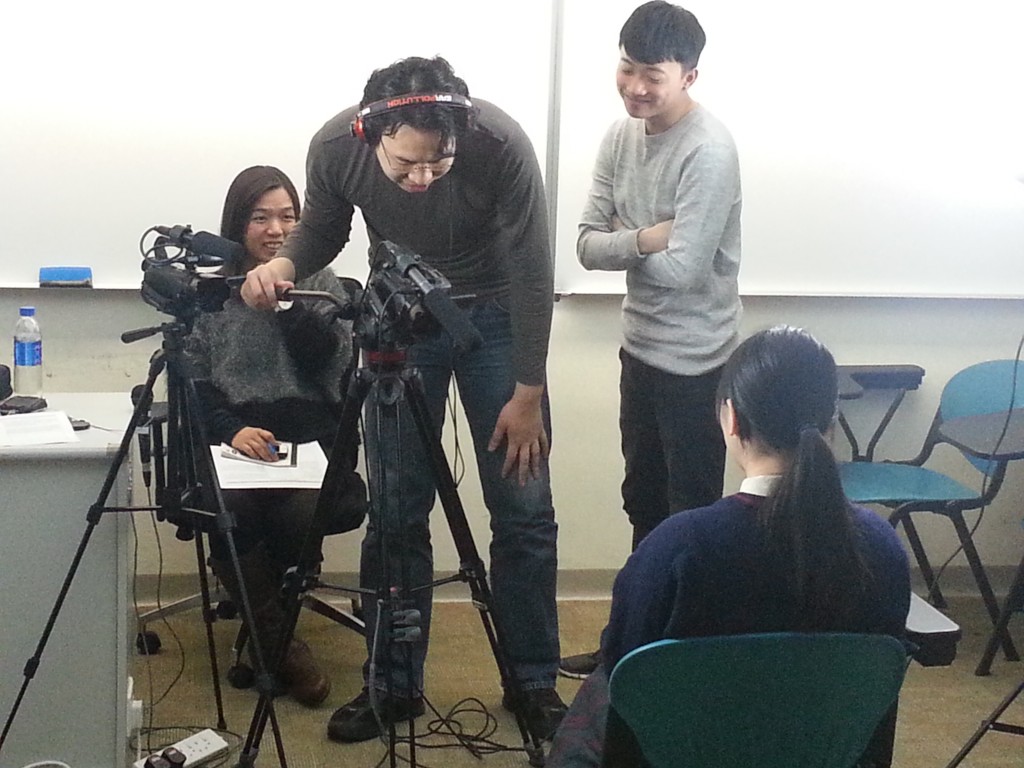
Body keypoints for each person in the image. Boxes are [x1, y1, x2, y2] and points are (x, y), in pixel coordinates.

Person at [239, 57, 565, 743]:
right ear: (371, 135)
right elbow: (324, 228)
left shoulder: (500, 143)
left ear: (459, 135)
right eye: (405, 165)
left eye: (437, 162)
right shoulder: (336, 146)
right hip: (401, 319)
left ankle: (533, 680)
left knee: (523, 510)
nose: (421, 180)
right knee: (394, 511)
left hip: (498, 318)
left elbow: (534, 270)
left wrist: (529, 391)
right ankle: (392, 685)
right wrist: (284, 264)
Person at [546, 325, 912, 767]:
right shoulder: (881, 548)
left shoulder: (677, 547)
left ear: (732, 418)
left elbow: (623, 666)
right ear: (831, 425)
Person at [561, 0, 744, 679]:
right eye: (627, 68)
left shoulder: (709, 150)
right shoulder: (619, 136)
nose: (635, 87)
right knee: (642, 502)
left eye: (653, 76)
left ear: (689, 76)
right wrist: (648, 237)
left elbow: (684, 271)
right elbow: (585, 246)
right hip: (638, 349)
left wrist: (627, 242)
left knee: (690, 519)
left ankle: (681, 663)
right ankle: (631, 644)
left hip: (697, 363)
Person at [186, 165, 363, 707]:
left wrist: (288, 303)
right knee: (228, 508)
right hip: (236, 439)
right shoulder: (212, 292)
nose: (276, 230)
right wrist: (232, 429)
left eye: (288, 217)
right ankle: (283, 647)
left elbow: (330, 367)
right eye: (260, 218)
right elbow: (194, 382)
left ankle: (267, 635)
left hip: (310, 438)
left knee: (301, 512)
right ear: (238, 224)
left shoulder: (322, 283)